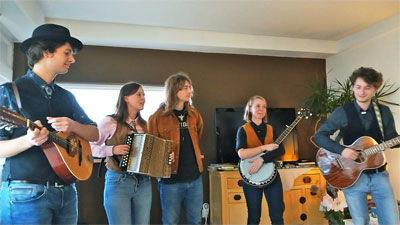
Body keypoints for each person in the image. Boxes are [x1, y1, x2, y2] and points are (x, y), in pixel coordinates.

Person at [0, 24, 99, 224]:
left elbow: (95, 133)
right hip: (26, 192)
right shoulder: (10, 92)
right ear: (46, 52)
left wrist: (73, 126)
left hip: (67, 193)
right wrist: (28, 141)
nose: (72, 59)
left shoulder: (67, 96)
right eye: (67, 53)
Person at [314, 67, 399, 225]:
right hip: (351, 176)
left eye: (367, 87)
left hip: (380, 175)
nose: (362, 92)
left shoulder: (384, 112)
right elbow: (319, 136)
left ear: (375, 89)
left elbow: (392, 139)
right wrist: (343, 150)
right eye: (358, 87)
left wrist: (396, 141)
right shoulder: (342, 112)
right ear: (353, 87)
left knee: (392, 221)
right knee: (360, 222)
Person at [90, 82, 152, 224]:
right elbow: (91, 147)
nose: (143, 98)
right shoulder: (110, 121)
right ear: (126, 98)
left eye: (144, 95)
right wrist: (112, 149)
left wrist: (165, 157)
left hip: (144, 182)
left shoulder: (145, 125)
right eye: (139, 94)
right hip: (118, 181)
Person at [148, 72, 204, 225]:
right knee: (170, 221)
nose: (189, 91)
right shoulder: (156, 118)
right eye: (185, 88)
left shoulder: (194, 114)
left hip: (195, 179)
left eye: (189, 87)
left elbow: (198, 136)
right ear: (174, 90)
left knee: (195, 220)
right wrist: (163, 156)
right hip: (170, 181)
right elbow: (151, 149)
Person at [236, 95, 285, 225]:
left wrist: (261, 159)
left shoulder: (271, 129)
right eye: (257, 105)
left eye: (264, 106)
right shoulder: (243, 130)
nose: (261, 109)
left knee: (277, 216)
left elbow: (280, 150)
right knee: (254, 218)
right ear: (250, 109)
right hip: (252, 178)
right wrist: (263, 148)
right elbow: (241, 153)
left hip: (273, 178)